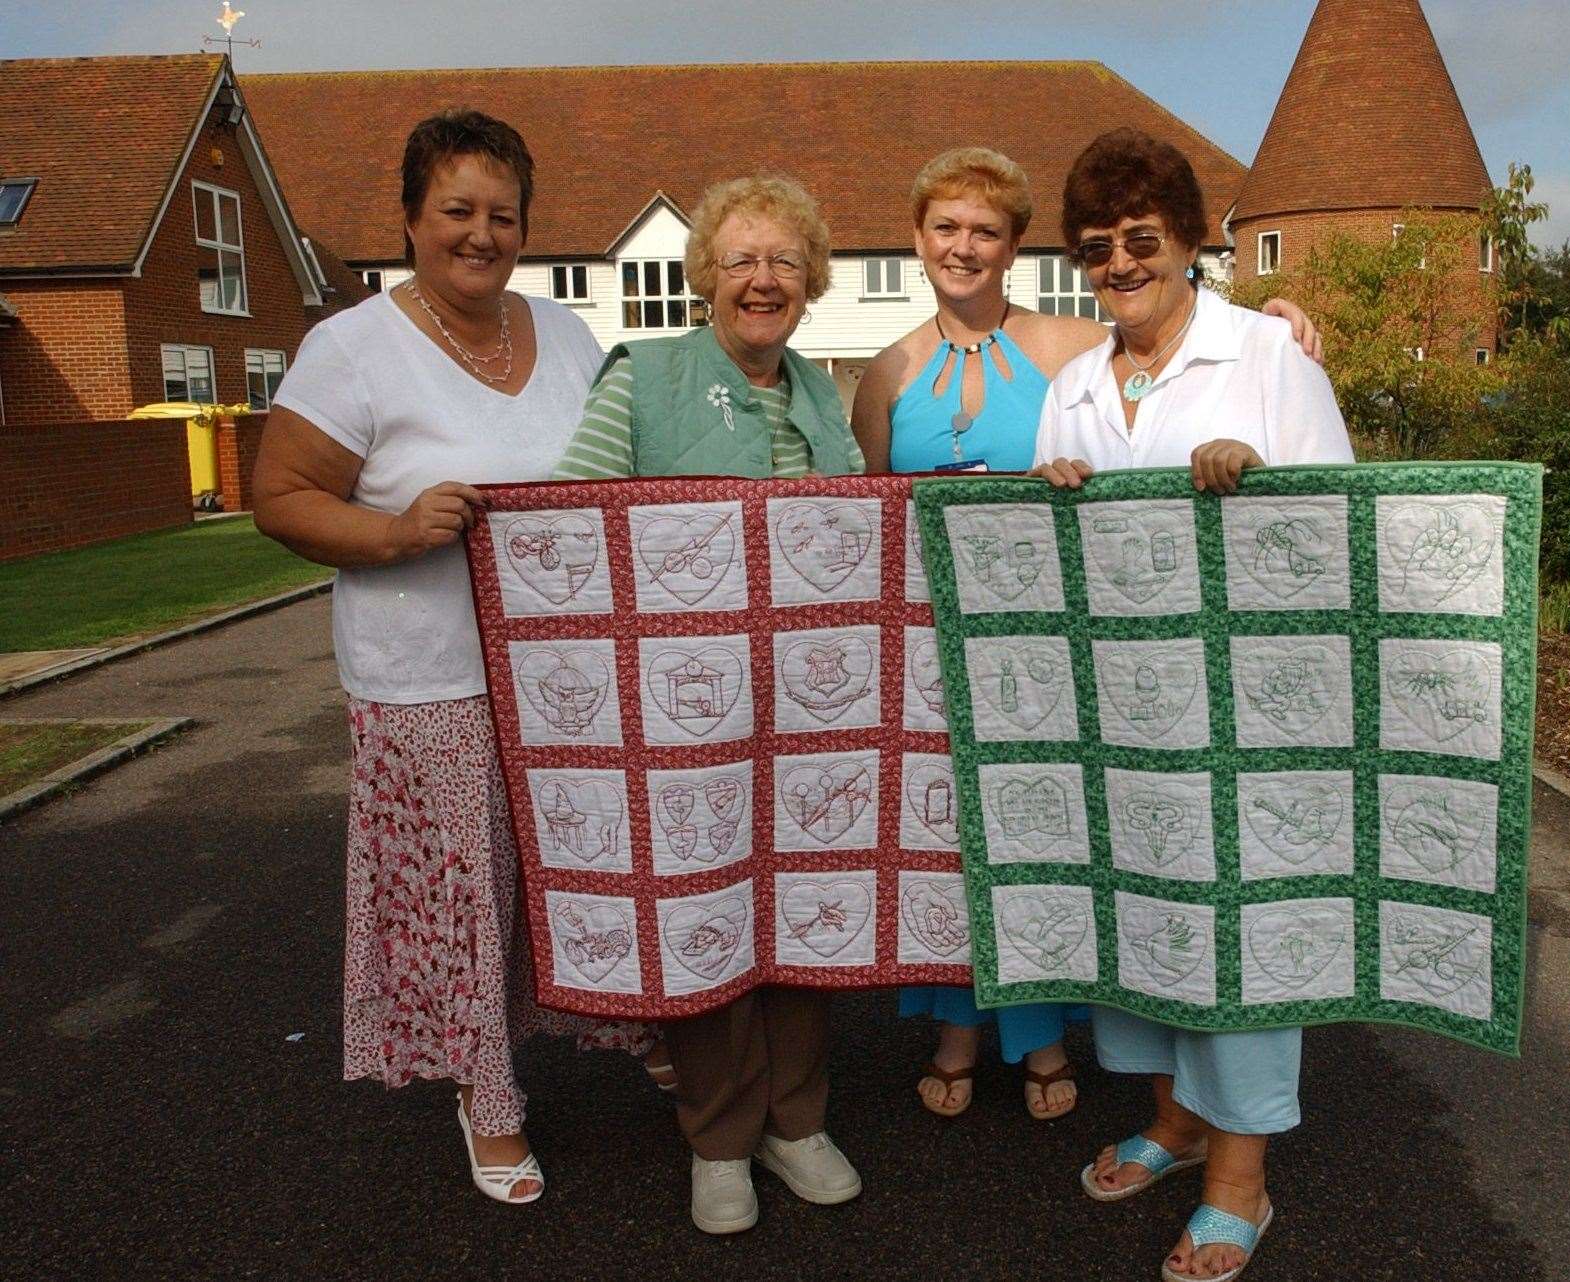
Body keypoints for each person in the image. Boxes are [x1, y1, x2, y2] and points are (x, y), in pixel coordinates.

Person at [849, 147, 1324, 1123]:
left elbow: (1316, 501)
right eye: (944, 227)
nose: (963, 246)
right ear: (916, 239)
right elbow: (873, 508)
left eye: (985, 229)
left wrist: (1278, 339)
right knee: (1039, 871)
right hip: (1017, 668)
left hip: (1169, 678)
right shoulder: (925, 371)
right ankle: (1117, 1097)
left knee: (1162, 889)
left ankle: (1205, 1143)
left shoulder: (1098, 347)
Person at [250, 109, 657, 1207]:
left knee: (572, 872)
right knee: (467, 897)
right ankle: (487, 1096)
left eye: (502, 215)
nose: (481, 234)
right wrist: (391, 532)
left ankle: (618, 1024)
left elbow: (615, 477)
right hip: (429, 672)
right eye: (457, 211)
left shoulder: (566, 333)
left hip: (560, 674)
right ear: (412, 219)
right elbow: (277, 499)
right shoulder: (350, 347)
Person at [1031, 128, 1354, 1282]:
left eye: (1137, 239)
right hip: (1120, 723)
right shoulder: (1071, 385)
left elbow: (1335, 538)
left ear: (1185, 240)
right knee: (1145, 925)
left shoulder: (1268, 359)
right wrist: (1050, 493)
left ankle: (1239, 1182)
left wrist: (1260, 485)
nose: (1117, 263)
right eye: (1094, 248)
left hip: (1247, 726)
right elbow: (1049, 573)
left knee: (1243, 943)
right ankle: (1173, 1123)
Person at [554, 174, 866, 1236]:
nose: (763, 280)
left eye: (784, 260)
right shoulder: (644, 375)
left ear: (811, 279)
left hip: (813, 705)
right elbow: (576, 519)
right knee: (706, 910)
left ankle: (796, 1119)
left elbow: (861, 536)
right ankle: (720, 1137)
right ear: (705, 277)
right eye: (740, 260)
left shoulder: (820, 390)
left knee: (803, 906)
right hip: (689, 710)